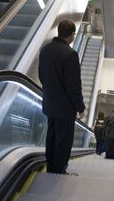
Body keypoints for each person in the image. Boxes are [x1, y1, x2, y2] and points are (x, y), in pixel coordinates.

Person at [38, 20, 85, 174]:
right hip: (65, 108)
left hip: (49, 104)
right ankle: (58, 170)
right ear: (71, 35)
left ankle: (51, 166)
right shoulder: (70, 54)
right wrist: (80, 107)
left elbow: (41, 76)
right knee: (63, 141)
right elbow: (74, 86)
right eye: (74, 34)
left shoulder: (45, 50)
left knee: (51, 137)